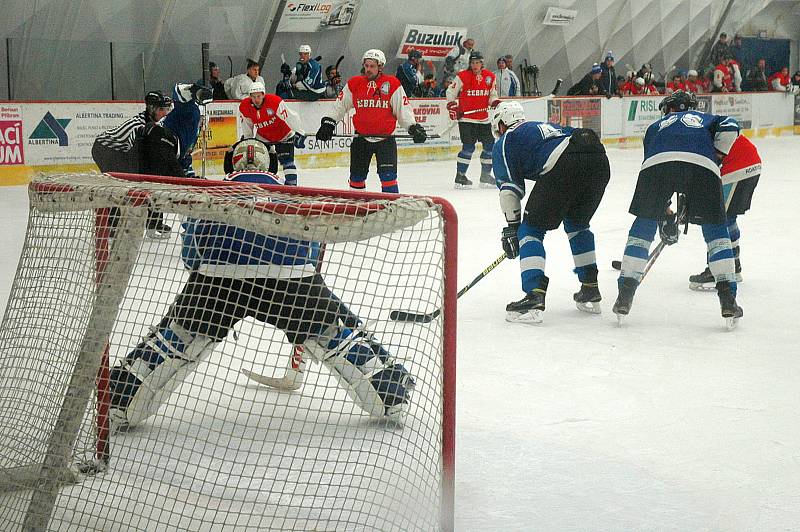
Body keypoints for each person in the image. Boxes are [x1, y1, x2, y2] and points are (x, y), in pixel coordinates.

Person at [107, 139, 415, 433]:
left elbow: (191, 255)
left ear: (232, 162)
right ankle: (389, 393)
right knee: (335, 334)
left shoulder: (211, 194)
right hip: (291, 282)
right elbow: (312, 247)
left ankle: (120, 400)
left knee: (177, 337)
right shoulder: (295, 195)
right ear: (273, 163)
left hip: (218, 281)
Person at [612, 90, 743, 327]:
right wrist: (717, 154)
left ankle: (625, 295)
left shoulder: (655, 126)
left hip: (656, 167)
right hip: (702, 167)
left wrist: (664, 214)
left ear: (671, 108)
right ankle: (728, 300)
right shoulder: (707, 120)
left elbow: (653, 164)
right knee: (716, 231)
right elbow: (732, 125)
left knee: (643, 226)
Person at [490, 101, 610, 323]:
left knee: (530, 230)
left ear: (501, 123)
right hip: (598, 160)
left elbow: (509, 190)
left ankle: (534, 294)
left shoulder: (506, 140)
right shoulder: (545, 127)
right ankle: (590, 287)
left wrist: (513, 228)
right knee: (577, 224)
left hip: (566, 162)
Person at [315, 49, 426, 193]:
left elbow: (402, 110)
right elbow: (339, 106)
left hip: (385, 140)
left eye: (372, 66)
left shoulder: (392, 83)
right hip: (361, 138)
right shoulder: (354, 83)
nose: (368, 69)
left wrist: (413, 127)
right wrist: (328, 123)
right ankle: (358, 208)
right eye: (366, 66)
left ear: (380, 67)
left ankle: (390, 208)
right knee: (356, 178)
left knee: (388, 177)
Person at [689, 134, 761, 290]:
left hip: (738, 166)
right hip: (752, 164)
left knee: (714, 218)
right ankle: (734, 264)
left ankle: (717, 270)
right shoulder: (699, 128)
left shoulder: (692, 138)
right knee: (728, 216)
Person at [446, 50, 499, 189]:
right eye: (473, 63)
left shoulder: (490, 77)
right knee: (468, 148)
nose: (475, 65)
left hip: (484, 120)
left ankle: (485, 176)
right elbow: (451, 92)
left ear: (482, 63)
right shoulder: (462, 76)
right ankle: (460, 176)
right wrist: (452, 105)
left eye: (477, 63)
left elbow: (492, 95)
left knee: (490, 147)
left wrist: (494, 102)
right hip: (467, 119)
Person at [235, 81, 306, 186]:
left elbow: (291, 116)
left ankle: (292, 187)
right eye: (253, 97)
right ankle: (266, 186)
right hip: (264, 138)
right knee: (262, 163)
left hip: (284, 136)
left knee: (287, 162)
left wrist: (300, 132)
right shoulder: (245, 106)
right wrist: (248, 140)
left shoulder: (275, 102)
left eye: (258, 96)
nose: (256, 99)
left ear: (263, 94)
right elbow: (247, 125)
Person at [92, 90, 173, 175]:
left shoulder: (149, 121)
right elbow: (135, 157)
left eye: (167, 109)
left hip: (116, 149)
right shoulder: (138, 126)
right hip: (103, 148)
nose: (165, 113)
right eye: (161, 109)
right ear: (151, 109)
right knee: (125, 177)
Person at [163, 82, 214, 177]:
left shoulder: (193, 130)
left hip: (173, 166)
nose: (202, 122)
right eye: (201, 118)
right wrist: (192, 89)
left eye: (203, 118)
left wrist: (190, 175)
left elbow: (186, 155)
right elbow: (177, 90)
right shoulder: (187, 111)